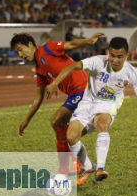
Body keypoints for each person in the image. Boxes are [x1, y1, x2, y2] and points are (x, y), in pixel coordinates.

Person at [46, 37, 137, 186]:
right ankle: (88, 167)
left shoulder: (131, 72)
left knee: (101, 123)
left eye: (120, 57)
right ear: (108, 53)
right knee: (71, 137)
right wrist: (55, 82)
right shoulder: (99, 61)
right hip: (87, 104)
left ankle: (101, 168)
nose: (115, 60)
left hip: (108, 105)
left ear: (126, 55)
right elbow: (73, 66)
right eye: (112, 55)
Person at [10, 32, 104, 174]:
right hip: (75, 93)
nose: (20, 54)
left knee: (57, 122)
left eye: (20, 49)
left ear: (30, 44)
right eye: (17, 52)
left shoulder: (47, 48)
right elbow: (39, 97)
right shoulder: (39, 69)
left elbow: (71, 44)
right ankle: (78, 165)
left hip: (83, 88)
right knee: (64, 131)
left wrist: (89, 41)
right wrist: (26, 120)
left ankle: (71, 166)